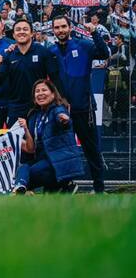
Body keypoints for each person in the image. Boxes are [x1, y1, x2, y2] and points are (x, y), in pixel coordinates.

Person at [49, 15, 110, 193]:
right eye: (57, 27)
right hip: (61, 110)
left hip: (84, 108)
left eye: (63, 26)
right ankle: (65, 188)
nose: (60, 30)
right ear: (53, 30)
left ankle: (99, 189)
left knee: (91, 150)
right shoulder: (50, 51)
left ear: (70, 27)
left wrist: (95, 33)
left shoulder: (84, 45)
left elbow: (104, 53)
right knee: (62, 151)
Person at [13, 79, 86, 194]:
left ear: (53, 94)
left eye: (44, 90)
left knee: (31, 173)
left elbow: (63, 120)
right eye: (37, 91)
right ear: (34, 97)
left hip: (58, 160)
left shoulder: (58, 109)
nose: (40, 93)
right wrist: (25, 129)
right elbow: (31, 149)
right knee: (23, 168)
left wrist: (64, 120)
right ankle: (20, 188)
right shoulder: (33, 116)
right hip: (42, 160)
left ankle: (64, 184)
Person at [0, 18, 63, 125]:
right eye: (18, 30)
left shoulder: (43, 52)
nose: (21, 32)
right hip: (16, 109)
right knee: (16, 136)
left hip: (39, 106)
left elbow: (55, 79)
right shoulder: (8, 55)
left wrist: (59, 102)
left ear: (31, 33)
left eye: (25, 29)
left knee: (39, 135)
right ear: (13, 35)